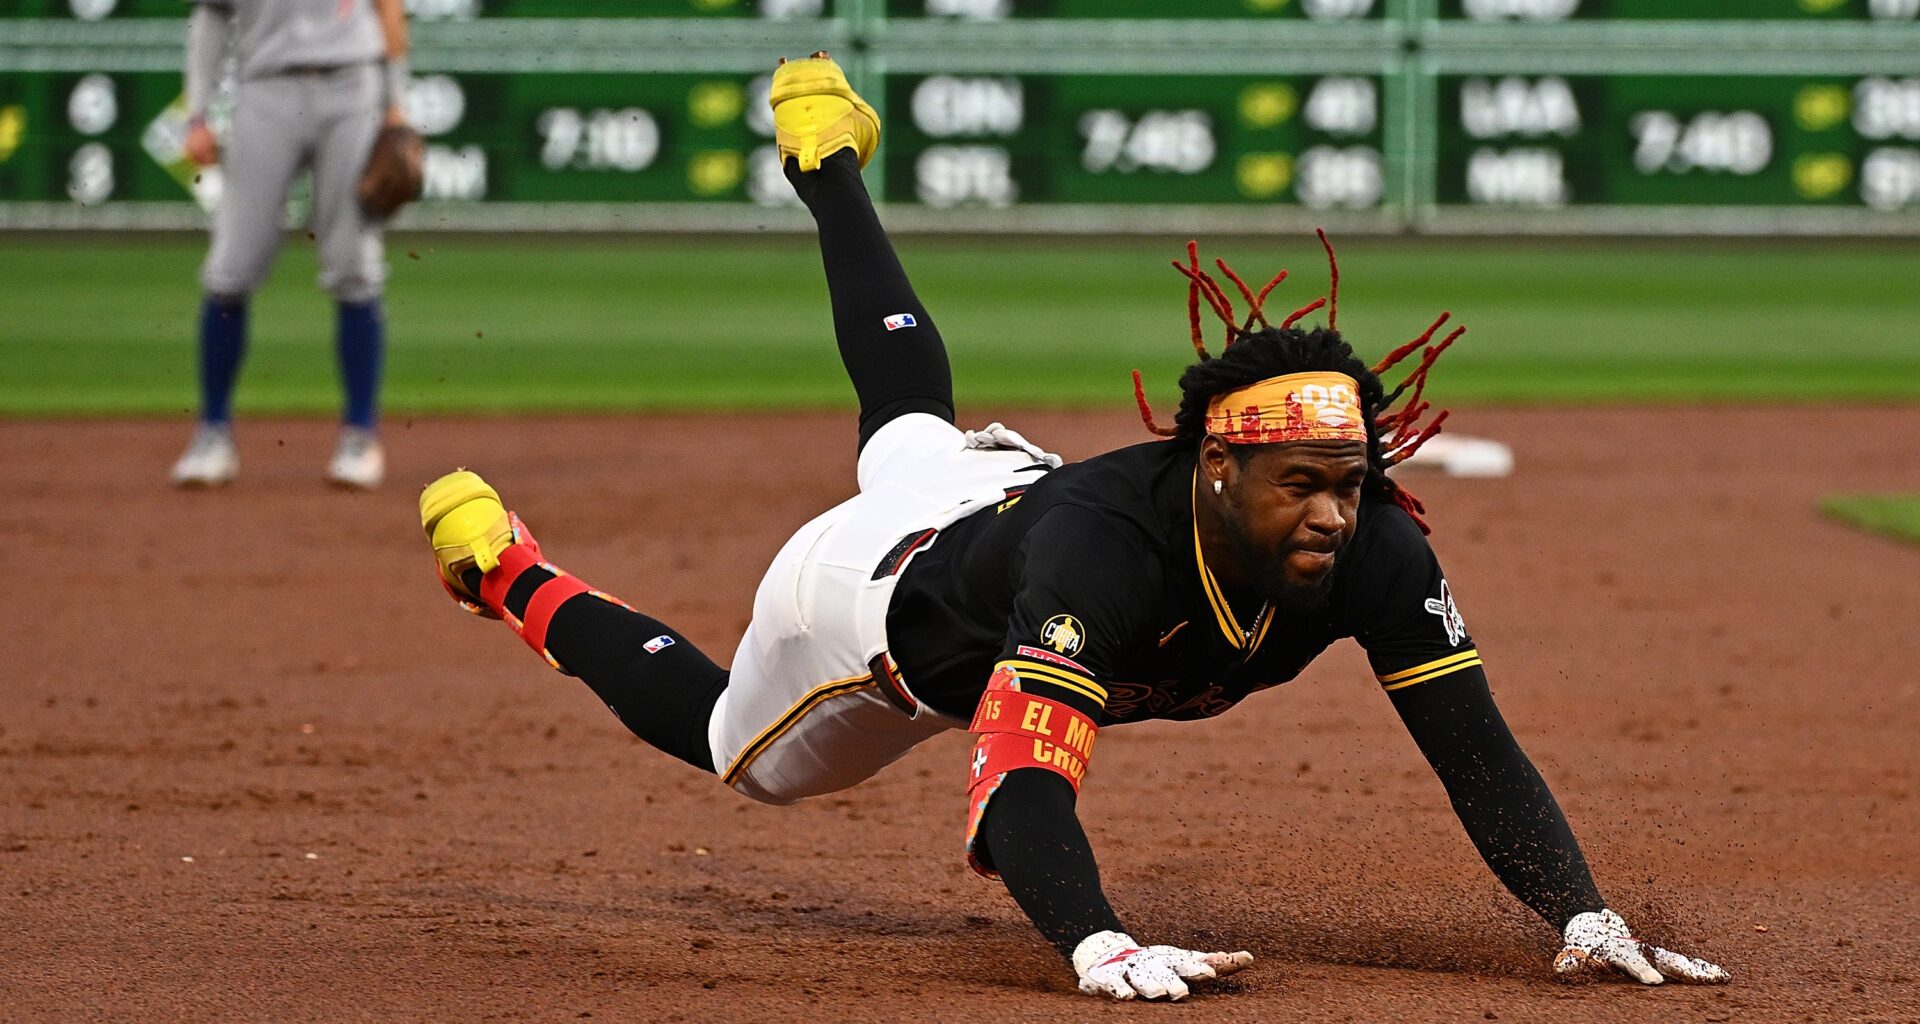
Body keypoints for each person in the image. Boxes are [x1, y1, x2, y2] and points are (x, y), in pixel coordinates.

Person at [416, 54, 1730, 1001]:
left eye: (1353, 473)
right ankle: (510, 569)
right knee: (730, 748)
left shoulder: (1370, 545)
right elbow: (1023, 777)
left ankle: (826, 160)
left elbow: (1474, 748)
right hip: (867, 606)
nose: (1335, 507)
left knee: (910, 417)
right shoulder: (1106, 553)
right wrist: (1098, 941)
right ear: (1216, 465)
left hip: (1000, 492)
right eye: (1303, 482)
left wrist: (1582, 911)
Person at [169, 0, 411, 489]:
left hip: (352, 83)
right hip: (265, 88)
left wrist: (396, 103)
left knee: (354, 267)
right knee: (230, 270)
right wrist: (197, 113)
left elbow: (388, 6)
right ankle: (213, 433)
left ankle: (360, 436)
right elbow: (212, 15)